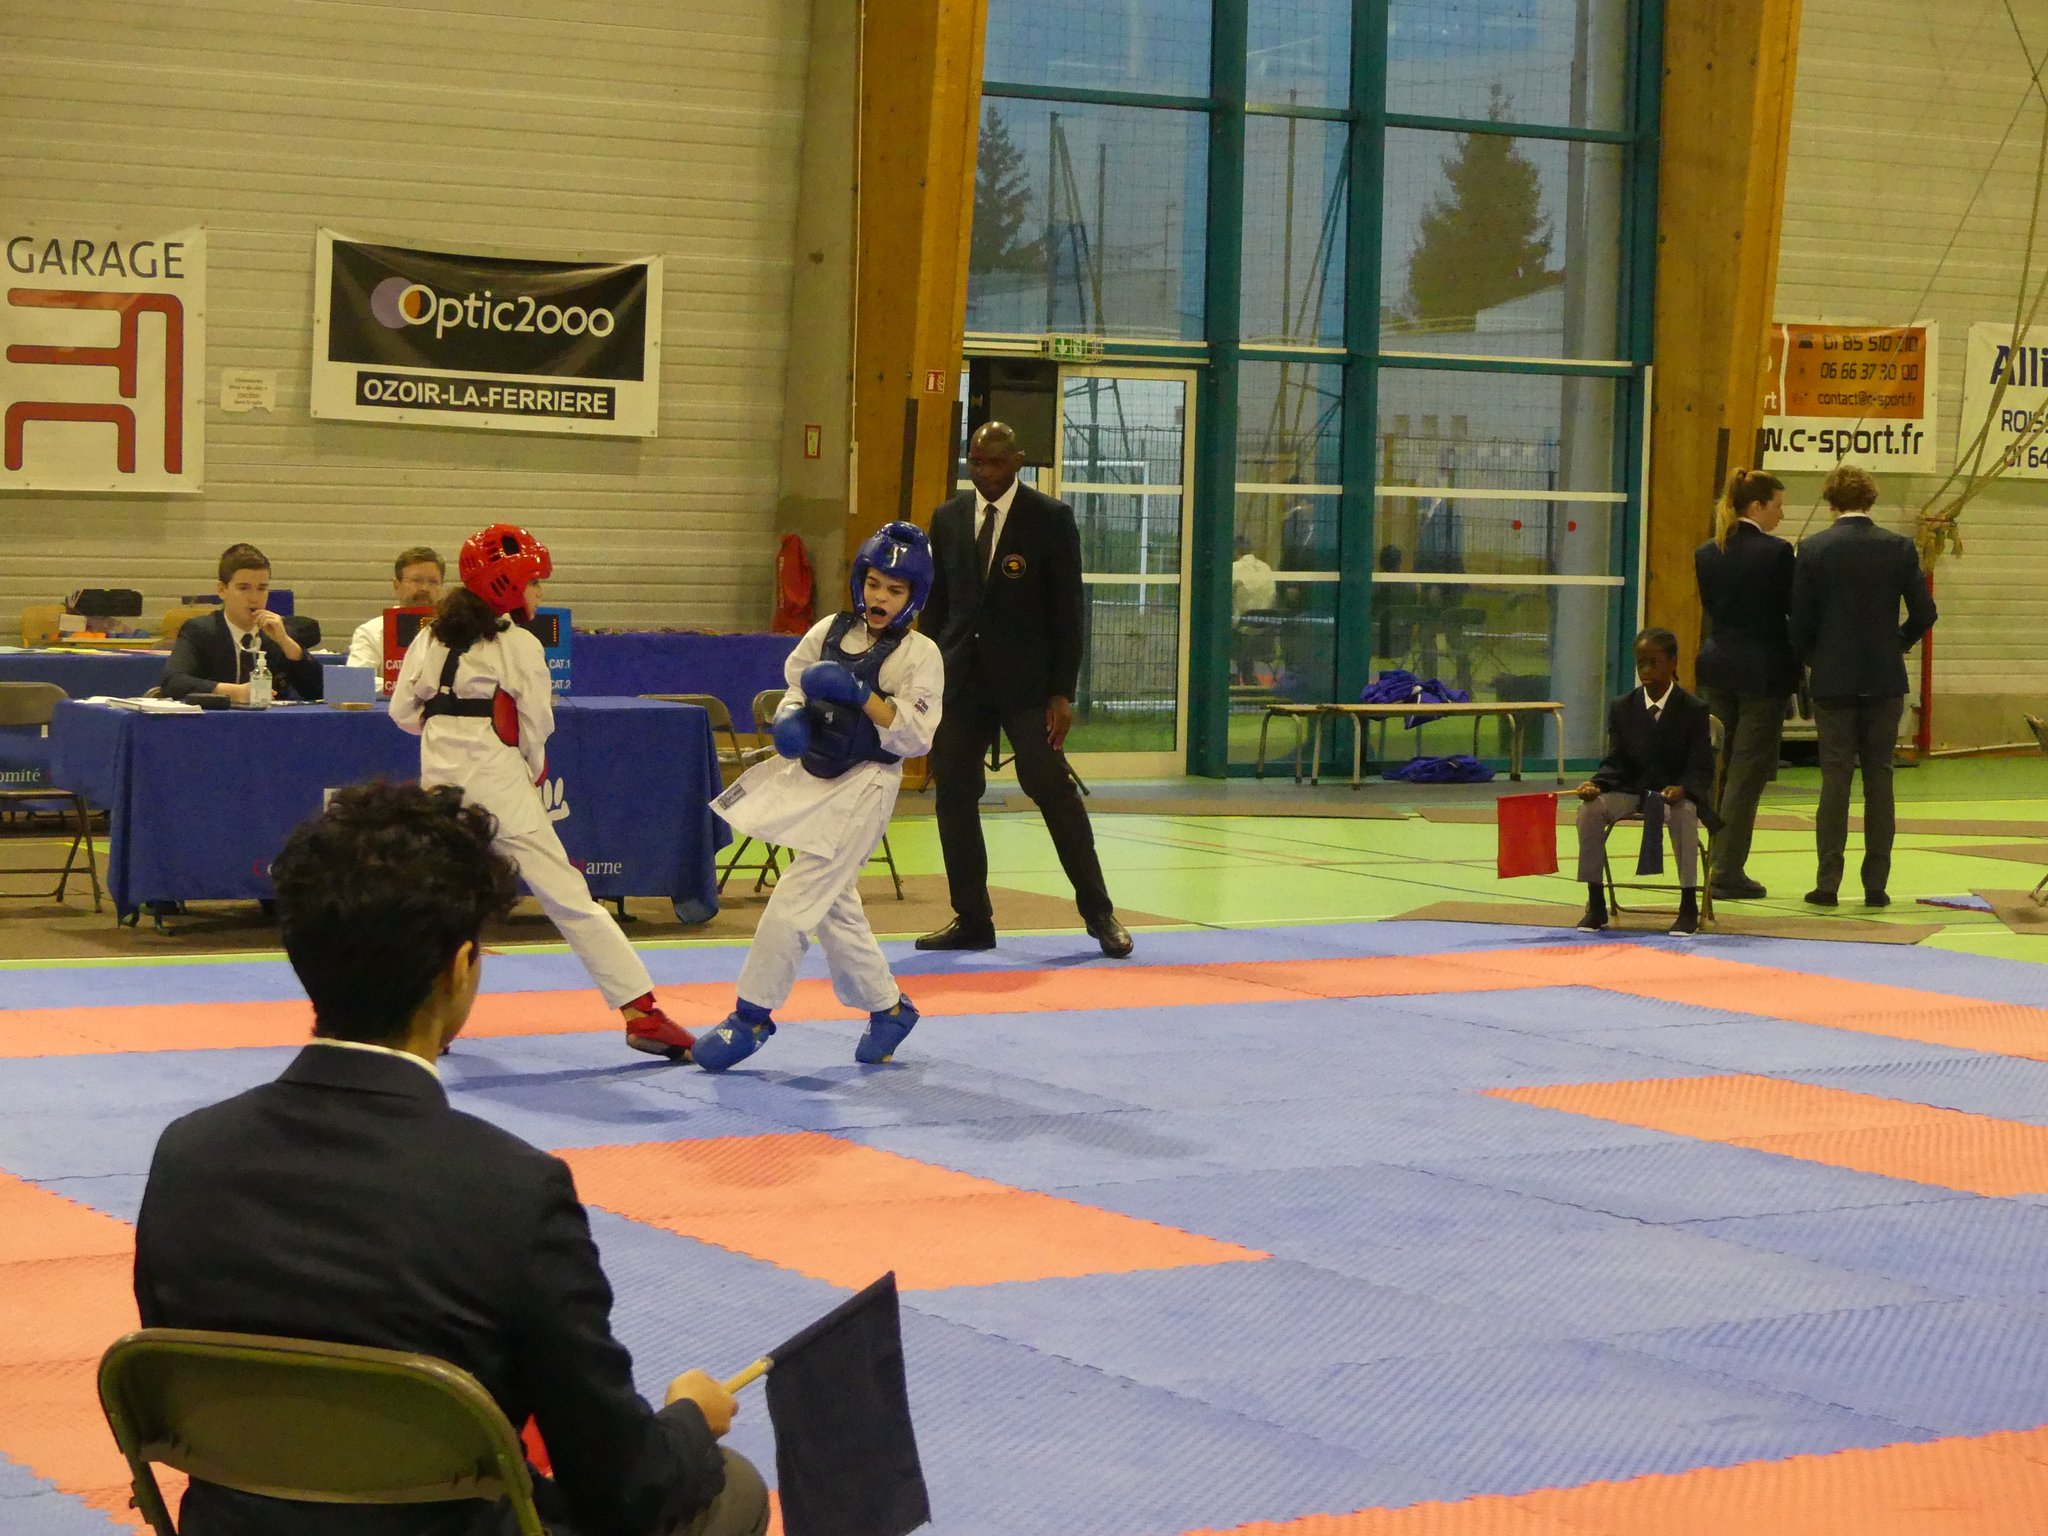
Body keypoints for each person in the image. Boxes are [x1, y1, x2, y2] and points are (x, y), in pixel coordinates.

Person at [133, 781, 768, 1536]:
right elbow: (626, 1488)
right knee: (728, 1489)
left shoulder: (188, 1157)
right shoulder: (512, 1192)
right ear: (461, 967)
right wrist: (690, 1418)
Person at [389, 523, 697, 1061]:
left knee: (445, 906)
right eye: (534, 582)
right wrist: (525, 765)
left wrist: (450, 732)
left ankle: (420, 1022)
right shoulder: (518, 644)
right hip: (501, 789)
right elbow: (537, 728)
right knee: (569, 898)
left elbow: (402, 713)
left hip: (439, 790)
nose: (539, 592)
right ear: (507, 586)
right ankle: (641, 1013)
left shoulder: (429, 636)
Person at [693, 522, 943, 1073]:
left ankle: (750, 1016)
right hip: (818, 775)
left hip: (867, 785)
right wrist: (789, 717)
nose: (880, 597)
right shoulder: (830, 630)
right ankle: (889, 1009)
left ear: (914, 596)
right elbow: (797, 683)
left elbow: (916, 736)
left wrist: (862, 695)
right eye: (874, 584)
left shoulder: (920, 654)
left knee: (796, 898)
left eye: (895, 590)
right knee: (834, 906)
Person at [916, 421, 1132, 958]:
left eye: (994, 462)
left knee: (1051, 788)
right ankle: (972, 918)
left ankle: (1099, 912)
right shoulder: (947, 518)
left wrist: (1062, 692)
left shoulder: (1049, 518)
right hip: (961, 680)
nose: (984, 472)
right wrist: (926, 674)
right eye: (975, 462)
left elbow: (1068, 610)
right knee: (954, 794)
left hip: (1028, 685)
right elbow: (937, 606)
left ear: (1017, 461)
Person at [1790, 462, 1937, 908]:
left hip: (1833, 679)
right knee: (1880, 778)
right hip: (1884, 677)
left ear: (1830, 502)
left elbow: (1800, 622)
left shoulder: (1813, 548)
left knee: (1835, 780)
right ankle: (1876, 884)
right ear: (1871, 500)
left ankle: (1827, 883)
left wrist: (1818, 659)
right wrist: (1897, 643)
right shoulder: (1898, 547)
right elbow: (1925, 613)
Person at [1573, 627, 1718, 937]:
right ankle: (1596, 903)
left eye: (1653, 663)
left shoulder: (1694, 709)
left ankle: (1688, 906)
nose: (1646, 671)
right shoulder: (1622, 707)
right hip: (1631, 791)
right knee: (1589, 811)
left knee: (1685, 814)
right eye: (1641, 664)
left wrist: (1683, 789)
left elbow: (1701, 767)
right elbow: (1615, 761)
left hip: (1673, 795)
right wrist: (1596, 785)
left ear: (1673, 663)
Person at [1693, 468, 1796, 900]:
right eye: (1777, 505)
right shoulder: (1777, 552)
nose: (1782, 514)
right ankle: (1727, 868)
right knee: (1746, 773)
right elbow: (1791, 610)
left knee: (1717, 768)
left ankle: (1709, 858)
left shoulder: (1706, 552)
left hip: (1716, 666)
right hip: (1761, 672)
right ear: (1757, 506)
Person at [161, 542, 325, 702]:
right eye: (244, 588)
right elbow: (173, 682)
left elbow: (320, 691)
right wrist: (235, 692)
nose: (254, 598)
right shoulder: (200, 631)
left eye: (261, 588)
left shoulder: (279, 634)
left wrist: (287, 643)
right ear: (222, 590)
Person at [347, 545, 446, 669]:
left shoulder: (454, 632)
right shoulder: (371, 633)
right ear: (396, 585)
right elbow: (360, 679)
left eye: (433, 582)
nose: (425, 588)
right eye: (416, 580)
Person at [1230, 533, 1277, 685]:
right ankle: (1248, 675)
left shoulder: (1234, 569)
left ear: (1235, 552)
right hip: (1266, 631)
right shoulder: (1265, 567)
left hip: (1241, 629)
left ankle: (1231, 675)